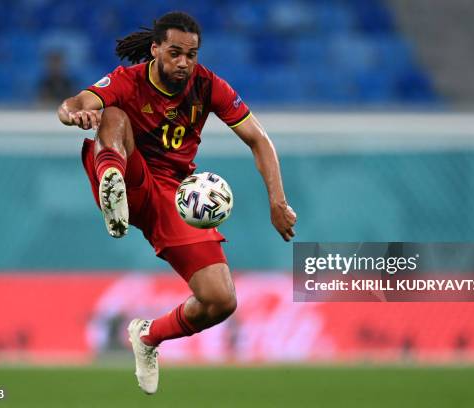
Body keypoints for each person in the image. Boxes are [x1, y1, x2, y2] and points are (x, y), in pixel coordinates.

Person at [57, 11, 296, 394]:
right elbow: (73, 101)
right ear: (155, 50)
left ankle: (149, 336)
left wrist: (277, 202)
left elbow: (258, 139)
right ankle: (111, 182)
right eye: (174, 53)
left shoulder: (208, 86)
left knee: (220, 300)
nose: (184, 62)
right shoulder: (126, 81)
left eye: (191, 54)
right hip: (130, 172)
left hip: (175, 194)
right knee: (112, 113)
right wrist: (75, 115)